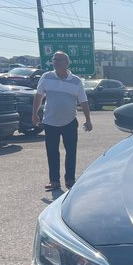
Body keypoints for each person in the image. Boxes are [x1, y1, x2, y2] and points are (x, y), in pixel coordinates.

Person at [32, 51, 93, 191]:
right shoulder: (46, 77)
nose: (55, 62)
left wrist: (88, 120)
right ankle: (54, 181)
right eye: (54, 59)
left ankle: (70, 179)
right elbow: (39, 96)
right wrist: (34, 114)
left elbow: (83, 101)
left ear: (66, 62)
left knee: (71, 151)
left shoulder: (76, 81)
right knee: (52, 152)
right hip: (50, 121)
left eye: (59, 59)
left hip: (70, 122)